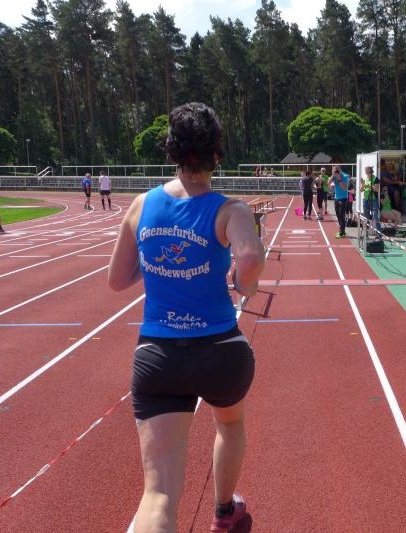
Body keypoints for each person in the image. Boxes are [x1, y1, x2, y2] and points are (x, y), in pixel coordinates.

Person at [108, 103, 264, 533]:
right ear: (217, 152)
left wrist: (156, 264)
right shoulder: (231, 210)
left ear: (171, 150)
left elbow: (117, 280)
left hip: (158, 356)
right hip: (219, 350)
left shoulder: (141, 206)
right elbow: (250, 257)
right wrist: (243, 284)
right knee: (229, 423)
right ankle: (224, 510)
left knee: (158, 492)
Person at [329, 165, 350, 238]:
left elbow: (345, 188)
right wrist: (332, 175)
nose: (336, 171)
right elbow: (328, 184)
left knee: (341, 215)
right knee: (338, 215)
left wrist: (339, 178)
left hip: (343, 198)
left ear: (340, 169)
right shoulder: (334, 176)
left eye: (337, 170)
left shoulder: (345, 176)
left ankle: (342, 232)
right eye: (335, 170)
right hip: (336, 198)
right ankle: (341, 230)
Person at [360, 165, 381, 232]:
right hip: (366, 200)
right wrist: (363, 184)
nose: (366, 172)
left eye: (367, 170)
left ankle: (379, 234)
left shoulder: (375, 178)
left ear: (371, 170)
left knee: (375, 217)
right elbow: (361, 190)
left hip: (373, 200)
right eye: (365, 170)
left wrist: (368, 186)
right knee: (366, 217)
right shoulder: (365, 179)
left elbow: (376, 189)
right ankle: (366, 233)